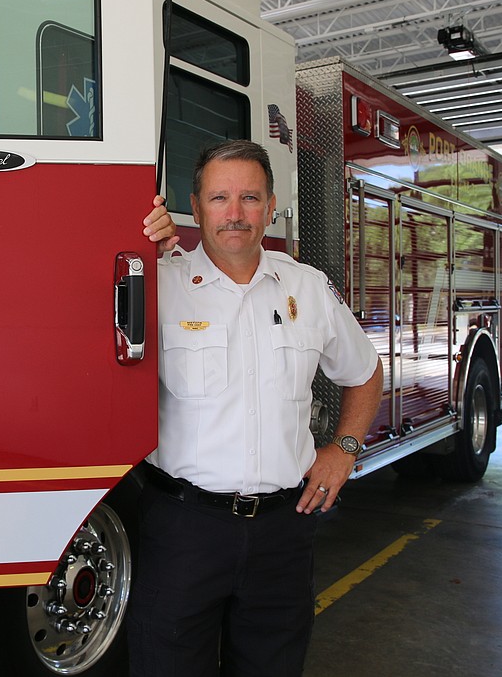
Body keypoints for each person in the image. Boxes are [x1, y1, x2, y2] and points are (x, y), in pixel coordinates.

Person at [129, 139, 383, 677]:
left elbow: (364, 372)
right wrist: (129, 243)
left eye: (250, 197)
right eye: (219, 198)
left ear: (271, 207)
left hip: (282, 534)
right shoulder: (157, 284)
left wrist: (343, 449)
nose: (235, 213)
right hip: (182, 531)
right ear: (194, 208)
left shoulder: (308, 288)